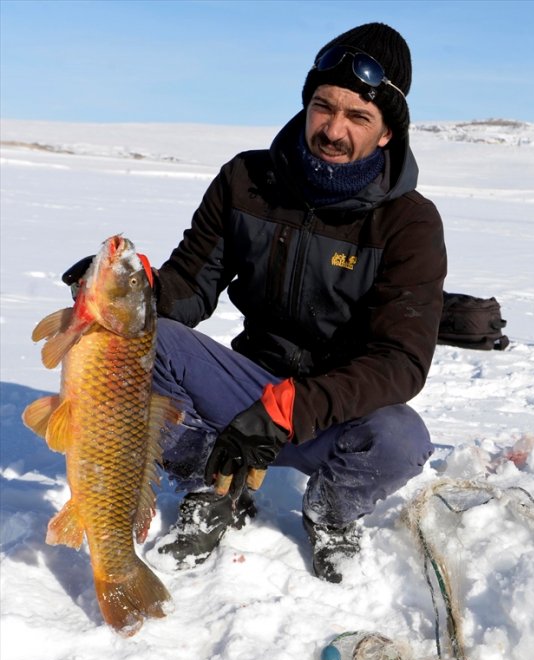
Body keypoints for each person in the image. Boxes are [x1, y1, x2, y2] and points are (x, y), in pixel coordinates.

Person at [68, 22, 447, 583]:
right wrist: (135, 293)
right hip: (246, 387)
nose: (334, 130)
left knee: (401, 440)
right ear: (308, 102)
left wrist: (294, 407)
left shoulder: (409, 222)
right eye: (324, 106)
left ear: (388, 132)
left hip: (334, 410)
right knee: (147, 346)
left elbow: (401, 362)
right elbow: (191, 288)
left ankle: (332, 512)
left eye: (358, 117)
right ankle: (211, 481)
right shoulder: (247, 179)